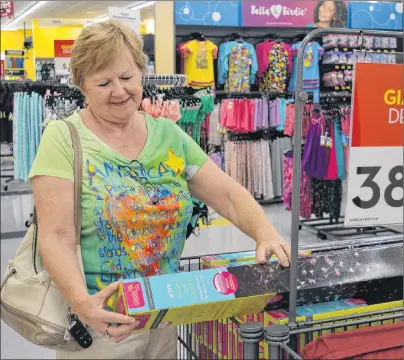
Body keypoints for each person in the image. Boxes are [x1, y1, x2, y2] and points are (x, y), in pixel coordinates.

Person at [29, 20, 304, 359]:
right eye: (103, 83)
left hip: (164, 311)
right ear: (82, 86)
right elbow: (56, 236)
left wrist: (264, 232)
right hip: (102, 324)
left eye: (127, 78)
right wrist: (83, 305)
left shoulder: (168, 134)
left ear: (142, 73)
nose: (119, 91)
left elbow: (227, 194)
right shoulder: (63, 139)